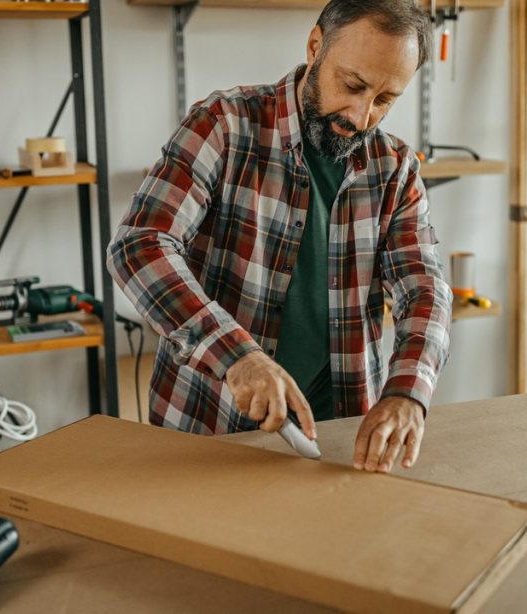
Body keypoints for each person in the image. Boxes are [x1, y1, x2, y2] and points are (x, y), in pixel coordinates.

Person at [107, 0, 452, 474]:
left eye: (385, 99)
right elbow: (140, 246)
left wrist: (407, 393)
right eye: (351, 85)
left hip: (338, 433)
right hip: (209, 424)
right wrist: (237, 356)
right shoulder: (224, 125)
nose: (361, 115)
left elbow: (426, 291)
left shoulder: (395, 168)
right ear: (315, 47)